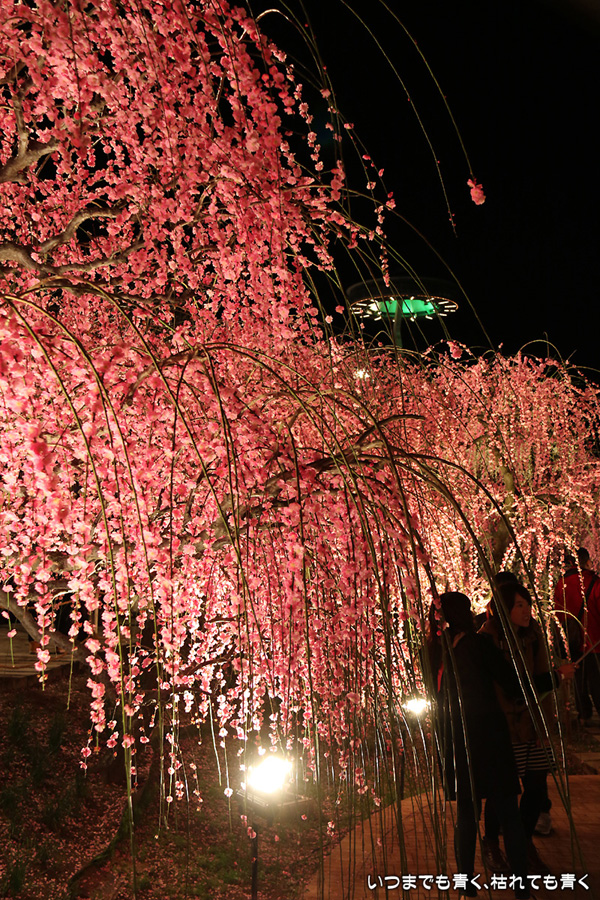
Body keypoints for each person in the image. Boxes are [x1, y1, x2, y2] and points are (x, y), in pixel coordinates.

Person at [428, 592, 530, 899]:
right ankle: (522, 885)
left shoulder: (433, 651)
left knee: (466, 814)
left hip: (456, 738)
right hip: (489, 736)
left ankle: (465, 884)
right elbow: (513, 684)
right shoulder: (477, 644)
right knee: (508, 814)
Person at [480, 582, 575, 874]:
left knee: (536, 785)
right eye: (518, 605)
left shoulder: (533, 636)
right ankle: (491, 844)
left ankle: (522, 843)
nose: (526, 611)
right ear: (503, 608)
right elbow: (511, 688)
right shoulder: (490, 639)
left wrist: (543, 729)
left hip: (533, 724)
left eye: (528, 604)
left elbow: (539, 684)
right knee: (502, 790)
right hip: (505, 726)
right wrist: (556, 678)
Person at [553, 547, 598, 724]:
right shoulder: (594, 582)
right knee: (597, 679)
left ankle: (584, 715)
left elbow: (557, 613)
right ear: (586, 562)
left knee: (579, 679)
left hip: (572, 640)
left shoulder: (561, 584)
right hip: (595, 639)